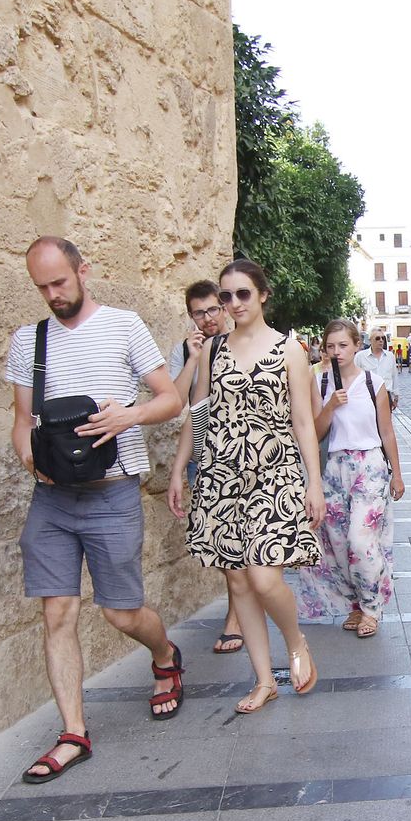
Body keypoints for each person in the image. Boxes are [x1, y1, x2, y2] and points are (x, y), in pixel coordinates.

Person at [7, 236, 187, 782]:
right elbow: (21, 420)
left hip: (111, 492)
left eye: (60, 282)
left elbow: (170, 398)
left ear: (83, 270)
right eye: (42, 287)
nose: (53, 295)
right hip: (53, 497)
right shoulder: (28, 341)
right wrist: (28, 460)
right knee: (56, 612)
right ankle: (74, 734)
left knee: (120, 612)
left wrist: (126, 417)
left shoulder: (124, 326)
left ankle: (164, 656)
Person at [168, 259, 325, 715]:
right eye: (226, 296)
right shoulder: (212, 351)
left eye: (242, 294)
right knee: (237, 580)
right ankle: (262, 680)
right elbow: (197, 415)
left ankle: (296, 641)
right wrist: (181, 469)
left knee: (263, 575)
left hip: (273, 473)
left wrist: (313, 483)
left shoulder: (289, 349)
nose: (233, 303)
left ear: (262, 296)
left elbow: (302, 421)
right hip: (220, 474)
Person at [294, 320, 405, 638]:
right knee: (339, 545)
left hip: (369, 465)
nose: (336, 352)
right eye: (330, 346)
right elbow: (314, 432)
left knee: (361, 540)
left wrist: (397, 474)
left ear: (357, 346)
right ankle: (356, 605)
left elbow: (386, 431)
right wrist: (329, 406)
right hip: (334, 468)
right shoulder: (322, 383)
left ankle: (372, 607)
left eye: (342, 345)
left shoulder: (374, 383)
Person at [167, 280, 244, 655]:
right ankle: (241, 609)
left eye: (214, 309)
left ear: (225, 308)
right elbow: (178, 405)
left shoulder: (244, 343)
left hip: (245, 459)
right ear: (190, 315)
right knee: (223, 544)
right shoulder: (185, 350)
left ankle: (237, 615)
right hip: (205, 457)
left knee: (238, 545)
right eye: (200, 312)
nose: (209, 318)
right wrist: (195, 359)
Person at [355, 327, 399, 410]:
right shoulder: (360, 357)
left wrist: (396, 396)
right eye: (377, 338)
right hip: (366, 396)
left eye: (383, 338)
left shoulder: (390, 356)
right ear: (370, 340)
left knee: (385, 422)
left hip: (386, 395)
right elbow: (354, 377)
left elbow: (394, 376)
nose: (381, 340)